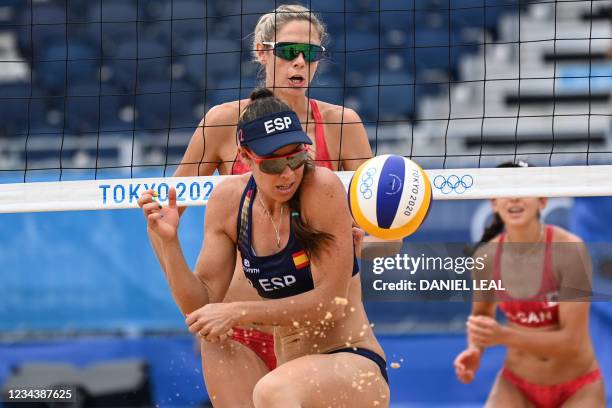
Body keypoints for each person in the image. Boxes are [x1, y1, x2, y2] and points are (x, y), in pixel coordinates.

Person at [145, 4, 374, 406]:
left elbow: (386, 238)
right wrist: (166, 243)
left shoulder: (342, 125)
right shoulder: (222, 122)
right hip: (237, 327)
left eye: (311, 53)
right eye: (288, 51)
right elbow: (169, 217)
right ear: (261, 51)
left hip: (315, 324)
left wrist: (360, 244)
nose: (300, 62)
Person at [454, 161, 606, 407]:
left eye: (522, 188)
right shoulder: (485, 257)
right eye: (505, 191)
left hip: (578, 387)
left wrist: (503, 335)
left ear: (542, 200)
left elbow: (572, 342)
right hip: (517, 385)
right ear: (494, 203)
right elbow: (482, 318)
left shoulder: (569, 250)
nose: (514, 198)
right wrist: (475, 350)